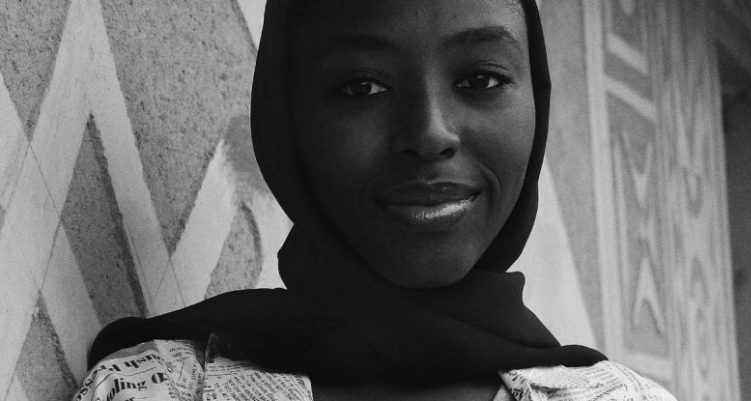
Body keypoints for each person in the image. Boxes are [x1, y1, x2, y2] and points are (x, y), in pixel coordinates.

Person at [78, 0, 677, 399]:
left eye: (481, 79)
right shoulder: (158, 389)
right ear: (289, 122)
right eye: (362, 86)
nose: (430, 133)